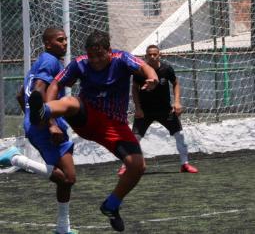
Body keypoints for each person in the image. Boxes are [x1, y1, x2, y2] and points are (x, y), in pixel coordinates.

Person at [28, 30, 159, 232]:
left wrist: (153, 78)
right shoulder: (80, 63)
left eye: (100, 55)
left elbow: (144, 67)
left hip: (115, 126)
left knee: (137, 166)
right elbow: (55, 83)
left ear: (109, 51)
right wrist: (51, 120)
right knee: (70, 101)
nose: (95, 61)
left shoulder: (122, 58)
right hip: (87, 117)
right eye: (91, 56)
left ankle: (111, 205)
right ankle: (43, 111)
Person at [0, 27, 77, 234]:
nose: (65, 43)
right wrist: (50, 123)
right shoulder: (50, 61)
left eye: (65, 39)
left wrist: (29, 118)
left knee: (65, 179)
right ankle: (16, 158)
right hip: (46, 124)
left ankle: (63, 228)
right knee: (67, 178)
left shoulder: (42, 61)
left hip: (38, 123)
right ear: (48, 43)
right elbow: (39, 91)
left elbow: (20, 95)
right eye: (60, 40)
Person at [117, 44, 198, 176]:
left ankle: (185, 164)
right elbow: (134, 89)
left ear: (159, 55)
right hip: (145, 111)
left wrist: (177, 102)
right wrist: (137, 108)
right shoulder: (140, 70)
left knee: (180, 135)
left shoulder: (167, 69)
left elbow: (176, 83)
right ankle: (125, 166)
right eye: (150, 54)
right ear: (146, 56)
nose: (153, 56)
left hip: (165, 110)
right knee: (134, 139)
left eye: (155, 54)